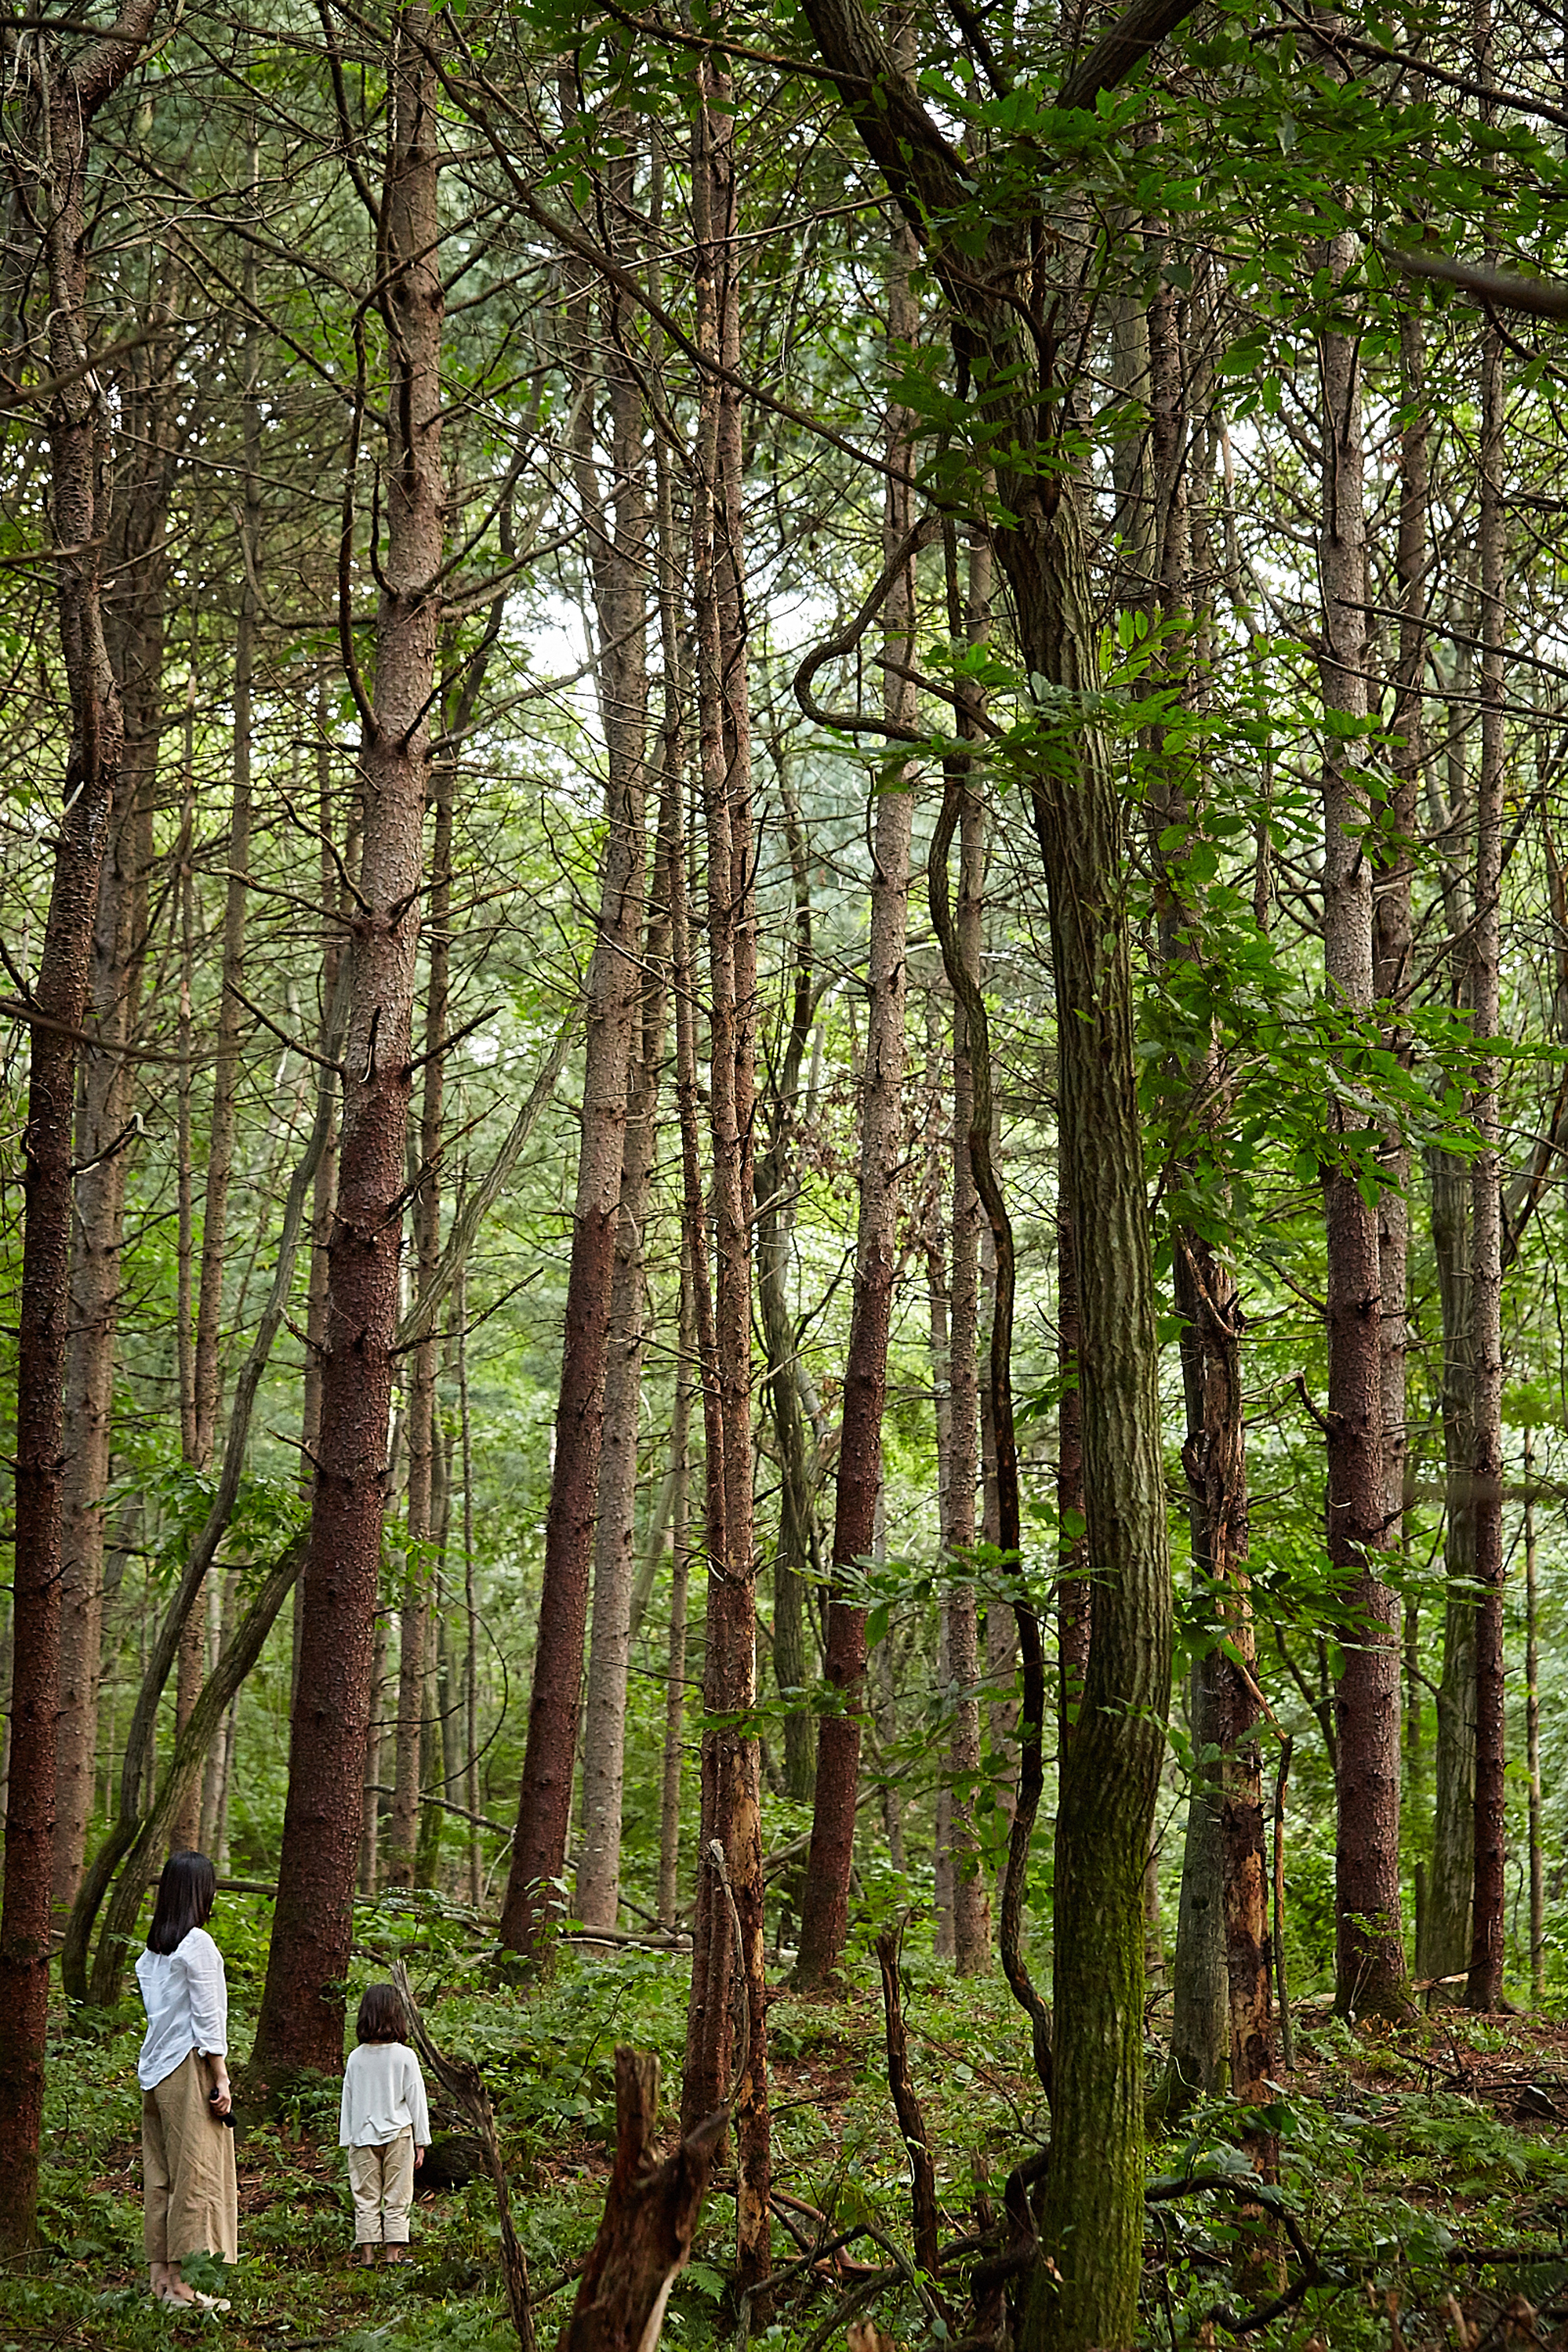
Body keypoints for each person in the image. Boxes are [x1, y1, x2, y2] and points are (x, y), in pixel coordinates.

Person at [136, 1849, 237, 2310]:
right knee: (196, 2175)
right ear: (202, 1892)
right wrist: (220, 2075)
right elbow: (209, 2018)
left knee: (161, 2176)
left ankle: (159, 2279)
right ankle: (183, 2288)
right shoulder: (198, 1946)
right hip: (186, 2068)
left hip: (154, 2071)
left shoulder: (152, 1954)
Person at [339, 1984, 431, 2266]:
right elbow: (417, 2100)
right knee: (398, 2195)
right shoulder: (405, 2056)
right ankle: (393, 2255)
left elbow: (349, 2101)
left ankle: (367, 2257)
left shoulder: (356, 2058)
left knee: (365, 2197)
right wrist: (421, 2141)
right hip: (399, 2135)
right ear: (397, 2015)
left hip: (363, 2137)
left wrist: (347, 2139)